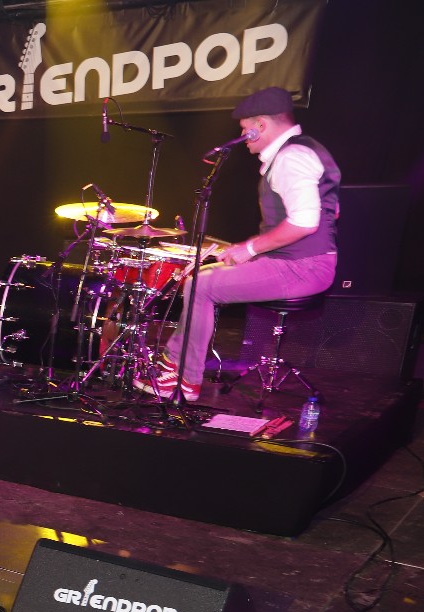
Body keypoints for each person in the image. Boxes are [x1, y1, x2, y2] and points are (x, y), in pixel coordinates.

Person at [136, 85, 340, 402]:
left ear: (261, 125)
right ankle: (173, 364)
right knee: (201, 276)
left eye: (245, 129)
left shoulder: (291, 158)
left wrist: (250, 249)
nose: (243, 137)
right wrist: (249, 249)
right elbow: (331, 211)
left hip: (303, 267)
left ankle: (185, 380)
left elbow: (304, 222)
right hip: (302, 261)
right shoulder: (305, 150)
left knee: (200, 286)